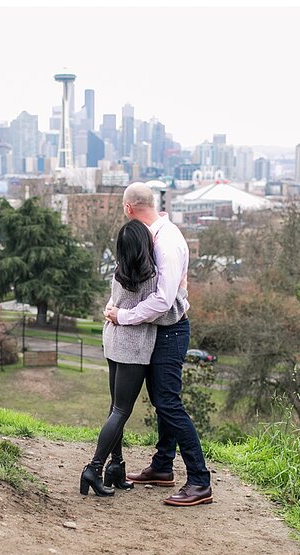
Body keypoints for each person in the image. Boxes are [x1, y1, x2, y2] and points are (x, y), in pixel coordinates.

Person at [104, 182, 213, 506]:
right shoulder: (154, 236)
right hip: (157, 330)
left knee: (168, 402)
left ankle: (200, 481)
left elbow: (163, 301)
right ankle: (163, 467)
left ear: (128, 209)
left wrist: (122, 316)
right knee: (160, 399)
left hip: (170, 331)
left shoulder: (165, 242)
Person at [81, 219, 187, 497]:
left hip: (113, 341)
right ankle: (93, 468)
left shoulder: (119, 270)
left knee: (115, 407)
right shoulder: (150, 278)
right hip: (133, 348)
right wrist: (183, 298)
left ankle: (116, 466)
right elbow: (166, 311)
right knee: (121, 411)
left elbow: (114, 304)